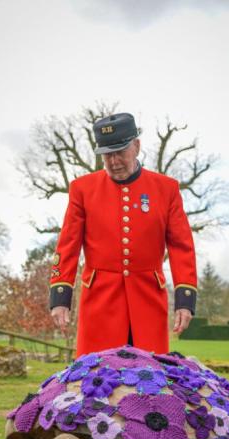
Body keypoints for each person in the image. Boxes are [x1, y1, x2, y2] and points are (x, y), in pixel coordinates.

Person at [49, 112, 197, 356]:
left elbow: (182, 246)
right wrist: (60, 296)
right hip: (99, 303)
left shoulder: (167, 189)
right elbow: (67, 245)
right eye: (107, 154)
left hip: (149, 301)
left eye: (120, 151)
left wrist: (185, 299)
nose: (114, 161)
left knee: (150, 382)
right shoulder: (81, 189)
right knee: (95, 380)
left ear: (136, 146)